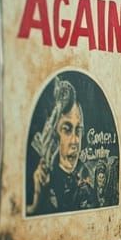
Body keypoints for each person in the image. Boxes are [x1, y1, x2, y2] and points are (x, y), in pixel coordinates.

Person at [27, 79, 94, 216]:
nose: (75, 141)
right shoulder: (42, 179)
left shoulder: (85, 176)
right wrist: (38, 203)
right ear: (53, 136)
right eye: (67, 129)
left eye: (78, 130)